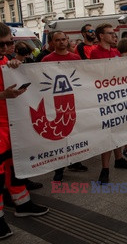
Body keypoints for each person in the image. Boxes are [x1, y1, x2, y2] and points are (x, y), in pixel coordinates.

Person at [0, 22, 49, 240]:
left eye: (9, 43)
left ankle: (22, 203)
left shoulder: (4, 61)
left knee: (15, 167)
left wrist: (15, 65)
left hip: (10, 126)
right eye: (2, 44)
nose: (7, 48)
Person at [90, 24, 127, 183]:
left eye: (113, 33)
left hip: (117, 97)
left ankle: (119, 159)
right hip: (105, 100)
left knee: (118, 129)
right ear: (101, 36)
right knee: (107, 134)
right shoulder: (95, 53)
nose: (113, 36)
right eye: (110, 33)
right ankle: (105, 168)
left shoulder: (115, 52)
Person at [41, 32, 90, 180]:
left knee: (74, 133)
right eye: (58, 40)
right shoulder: (46, 60)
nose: (61, 42)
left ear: (67, 40)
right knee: (59, 138)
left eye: (64, 39)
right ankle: (59, 169)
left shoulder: (75, 58)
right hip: (55, 103)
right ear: (52, 43)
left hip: (73, 102)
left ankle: (75, 162)